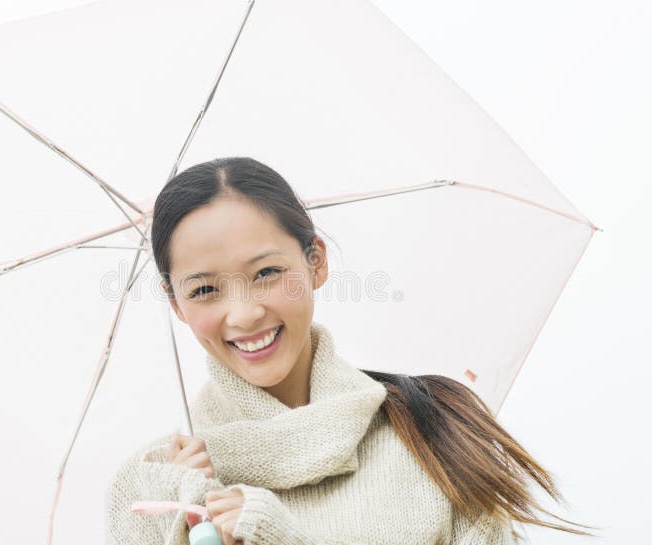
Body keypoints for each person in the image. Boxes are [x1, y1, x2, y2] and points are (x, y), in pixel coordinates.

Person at [106, 157, 594, 545]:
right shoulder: (152, 488)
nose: (244, 314)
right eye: (204, 290)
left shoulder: (430, 428)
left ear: (315, 262)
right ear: (175, 304)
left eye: (267, 273)